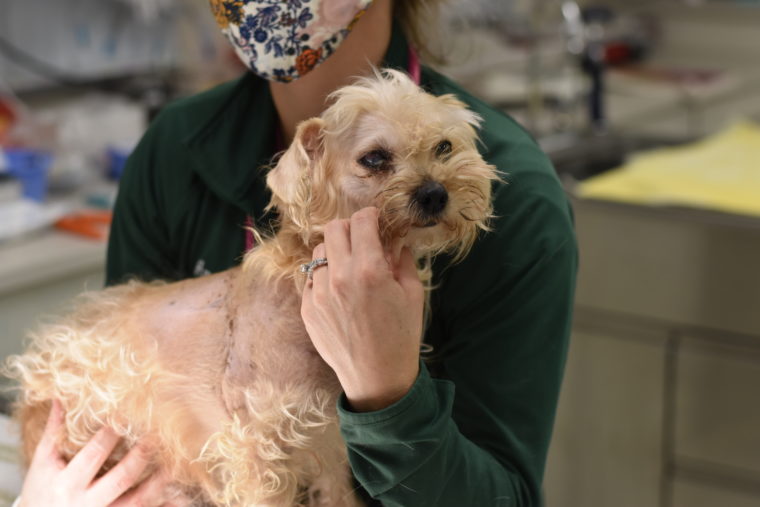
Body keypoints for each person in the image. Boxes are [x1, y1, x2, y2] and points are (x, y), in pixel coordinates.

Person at [23, 0, 577, 505]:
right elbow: (116, 408)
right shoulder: (173, 149)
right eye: (375, 161)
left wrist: (389, 395)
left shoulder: (514, 199)